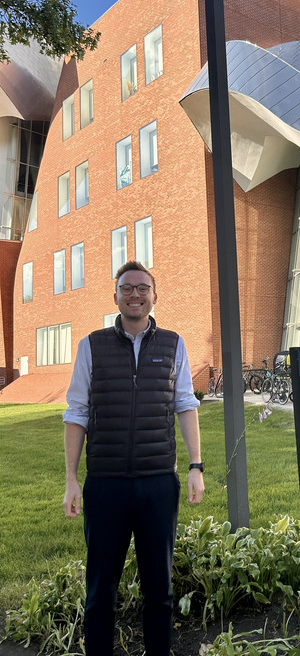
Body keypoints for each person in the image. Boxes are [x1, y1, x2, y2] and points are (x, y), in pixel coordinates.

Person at [62, 261, 204, 656]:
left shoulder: (174, 344)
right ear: (116, 297)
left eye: (143, 287)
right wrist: (72, 479)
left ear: (154, 295)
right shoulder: (92, 345)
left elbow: (185, 404)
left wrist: (196, 466)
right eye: (127, 288)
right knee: (99, 590)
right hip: (105, 485)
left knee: (159, 589)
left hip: (158, 482)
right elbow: (76, 411)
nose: (135, 294)